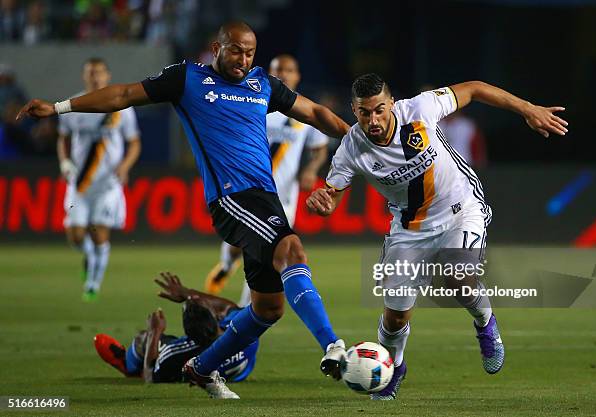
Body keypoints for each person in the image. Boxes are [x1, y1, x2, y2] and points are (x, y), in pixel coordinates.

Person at [18, 21, 349, 399]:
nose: (243, 59)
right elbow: (124, 94)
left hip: (266, 197)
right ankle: (332, 345)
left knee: (268, 309)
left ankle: (202, 368)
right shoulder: (187, 78)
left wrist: (354, 136)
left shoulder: (263, 85)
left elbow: (314, 113)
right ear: (217, 48)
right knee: (292, 250)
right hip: (232, 198)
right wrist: (60, 107)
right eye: (236, 50)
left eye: (250, 52)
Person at [307, 74, 568, 400]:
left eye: (379, 110)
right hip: (409, 229)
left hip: (461, 209)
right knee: (396, 314)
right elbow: (332, 194)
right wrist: (324, 201)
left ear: (391, 104)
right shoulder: (351, 148)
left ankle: (485, 324)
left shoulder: (419, 108)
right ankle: (393, 368)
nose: (373, 120)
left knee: (459, 278)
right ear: (353, 110)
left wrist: (528, 108)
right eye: (364, 113)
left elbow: (475, 89)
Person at [205, 54, 329, 307]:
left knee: (265, 255)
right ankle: (227, 264)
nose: (284, 74)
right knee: (237, 247)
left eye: (289, 70)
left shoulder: (302, 112)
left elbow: (320, 148)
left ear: (297, 76)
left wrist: (311, 169)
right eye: (278, 69)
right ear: (268, 74)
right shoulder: (252, 103)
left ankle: (244, 308)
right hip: (247, 190)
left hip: (282, 198)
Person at [57, 57, 141, 301]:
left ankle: (93, 284)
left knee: (99, 234)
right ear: (85, 76)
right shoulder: (73, 105)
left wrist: (125, 166)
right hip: (80, 181)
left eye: (99, 72)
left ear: (108, 76)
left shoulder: (121, 107)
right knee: (75, 235)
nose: (95, 77)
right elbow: (63, 138)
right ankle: (89, 257)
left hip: (108, 182)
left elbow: (134, 142)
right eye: (90, 73)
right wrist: (64, 162)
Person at [94, 272, 258, 388]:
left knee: (142, 339)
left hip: (178, 369)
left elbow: (150, 376)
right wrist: (188, 294)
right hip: (234, 373)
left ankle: (127, 364)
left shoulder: (175, 353)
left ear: (188, 336)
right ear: (217, 318)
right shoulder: (247, 337)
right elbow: (230, 307)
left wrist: (154, 332)